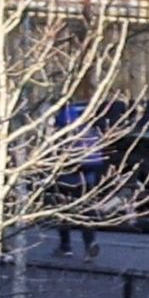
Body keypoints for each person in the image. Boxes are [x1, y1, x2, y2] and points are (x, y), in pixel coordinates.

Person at [51, 103, 106, 259]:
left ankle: (65, 246)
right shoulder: (85, 113)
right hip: (91, 168)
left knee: (63, 207)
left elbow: (58, 144)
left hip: (70, 169)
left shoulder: (62, 118)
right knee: (86, 208)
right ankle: (89, 243)